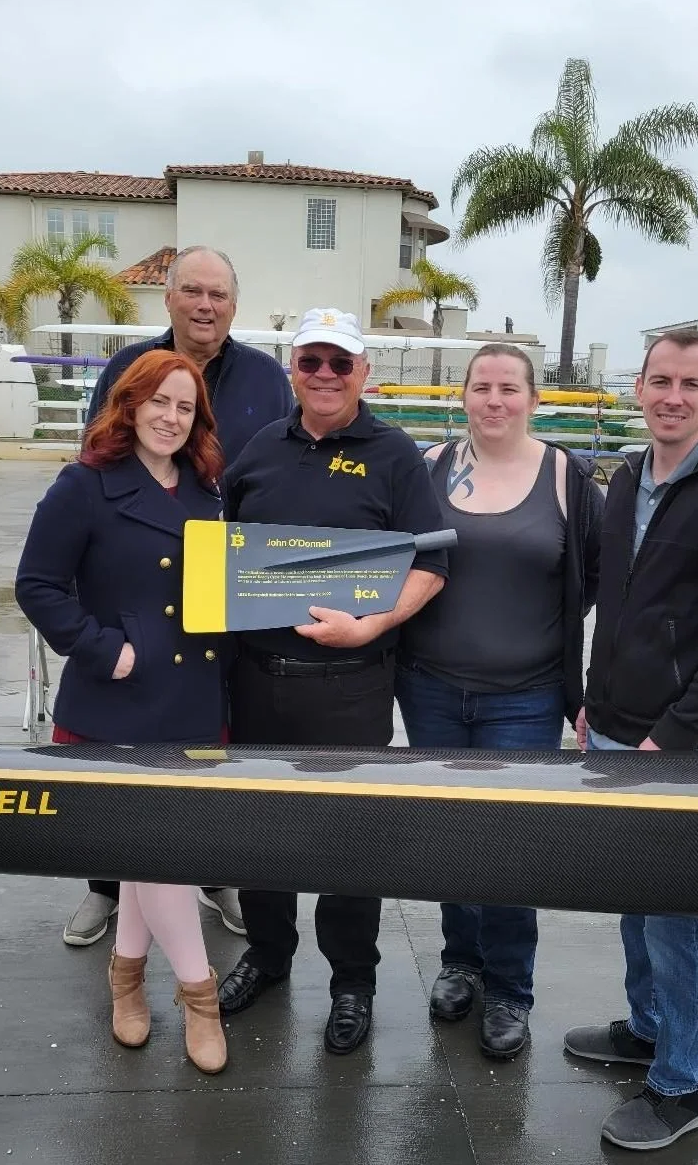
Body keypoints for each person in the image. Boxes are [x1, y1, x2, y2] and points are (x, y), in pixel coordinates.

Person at [564, 328, 698, 1149]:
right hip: (611, 729)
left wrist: (675, 735)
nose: (672, 396)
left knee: (678, 917)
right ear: (638, 388)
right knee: (632, 894)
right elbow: (611, 608)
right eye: (659, 379)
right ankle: (648, 1026)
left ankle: (683, 1083)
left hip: (677, 744)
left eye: (692, 383)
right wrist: (590, 700)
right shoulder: (624, 481)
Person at [217, 307, 449, 1055]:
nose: (323, 375)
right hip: (256, 679)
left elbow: (431, 562)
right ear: (292, 369)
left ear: (363, 372)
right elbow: (219, 554)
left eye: (338, 363)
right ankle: (268, 954)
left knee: (349, 836)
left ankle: (353, 979)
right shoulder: (256, 449)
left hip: (349, 681)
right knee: (259, 830)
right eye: (310, 361)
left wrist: (374, 624)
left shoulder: (394, 455)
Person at [65, 245, 293, 947]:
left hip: (224, 603)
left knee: (205, 757)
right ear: (166, 298)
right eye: (191, 290)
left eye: (218, 293)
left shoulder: (266, 379)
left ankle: (211, 877)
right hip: (133, 591)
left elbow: (280, 481)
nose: (204, 304)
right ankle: (107, 887)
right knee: (118, 763)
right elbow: (93, 470)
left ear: (234, 303)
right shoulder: (128, 370)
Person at [15, 348, 229, 1075]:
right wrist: (106, 649)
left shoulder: (206, 488)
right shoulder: (85, 484)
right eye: (158, 401)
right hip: (118, 699)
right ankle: (202, 996)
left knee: (152, 856)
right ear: (129, 403)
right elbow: (38, 586)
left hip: (193, 700)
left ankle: (126, 979)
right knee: (155, 850)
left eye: (185, 406)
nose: (171, 417)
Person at [396, 344, 602, 1060]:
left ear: (533, 399)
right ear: (462, 396)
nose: (494, 400)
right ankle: (461, 959)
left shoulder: (567, 477)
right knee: (450, 835)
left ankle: (510, 984)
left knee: (511, 843)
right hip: (429, 688)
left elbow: (597, 574)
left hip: (526, 695)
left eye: (508, 387)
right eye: (481, 386)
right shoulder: (428, 467)